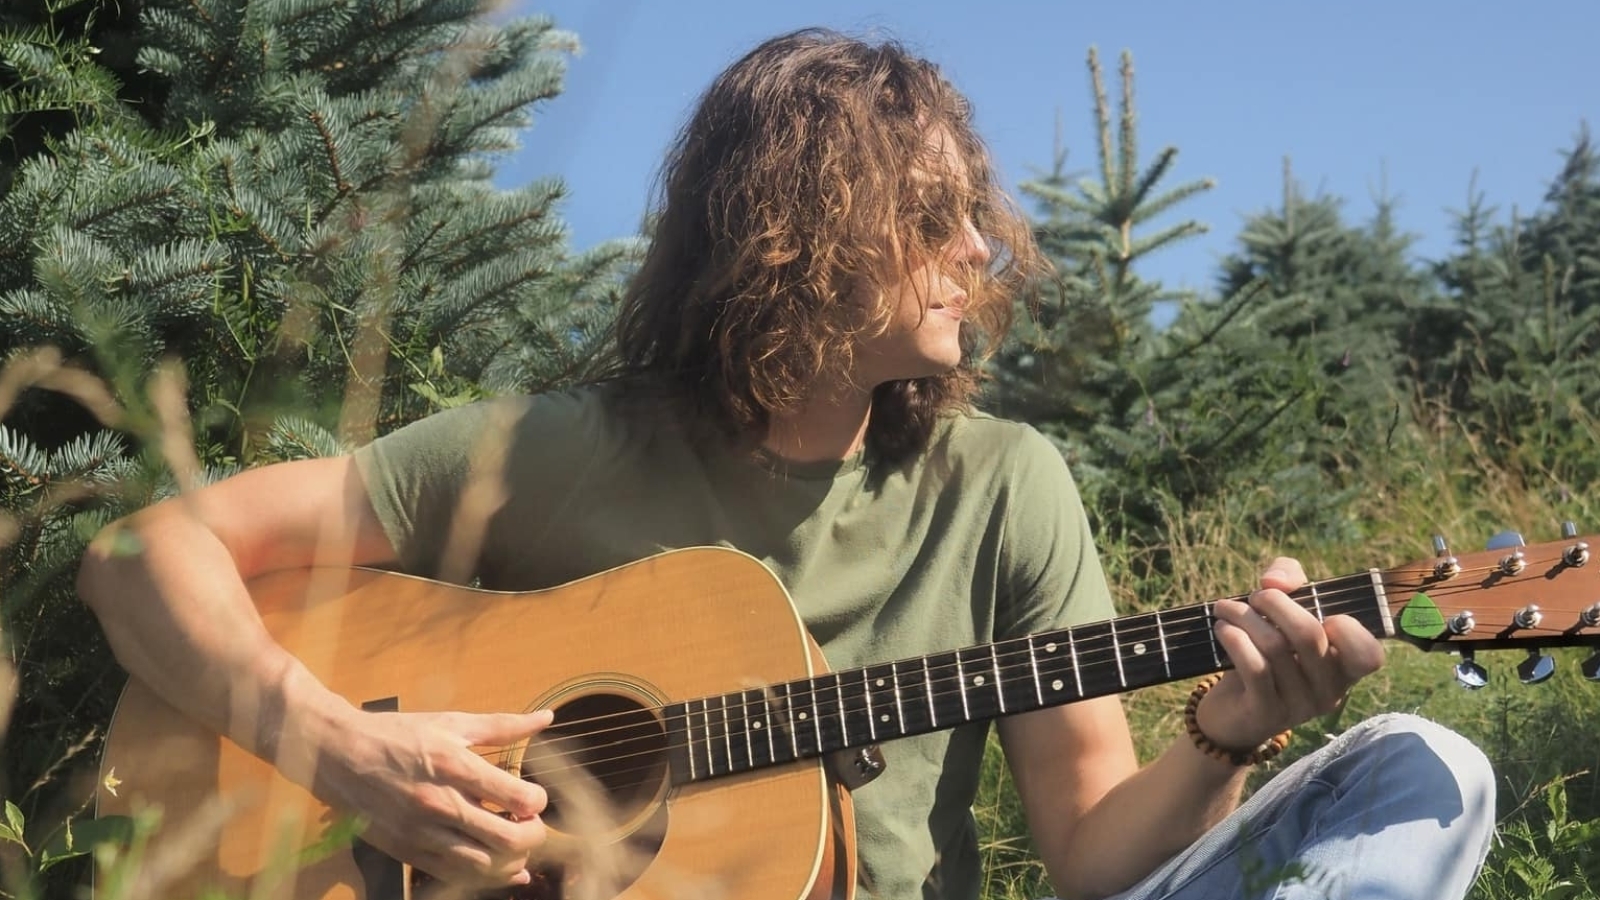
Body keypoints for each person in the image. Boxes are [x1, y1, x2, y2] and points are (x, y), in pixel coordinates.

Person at [78, 27, 1495, 900]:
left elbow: (1098, 864)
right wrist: (340, 746)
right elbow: (144, 552)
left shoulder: (1006, 486)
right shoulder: (547, 450)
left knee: (1420, 770)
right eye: (936, 215)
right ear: (796, 233)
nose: (980, 251)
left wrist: (1228, 734)